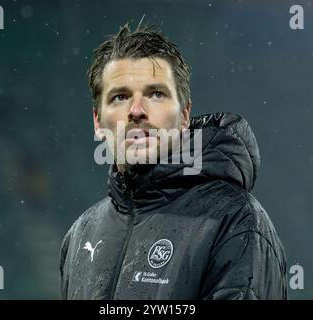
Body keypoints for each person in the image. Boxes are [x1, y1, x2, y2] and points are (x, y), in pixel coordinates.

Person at [59, 22, 287, 300]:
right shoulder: (80, 235)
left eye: (156, 94)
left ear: (184, 115)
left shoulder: (235, 220)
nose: (137, 111)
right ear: (97, 121)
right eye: (120, 96)